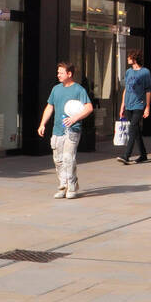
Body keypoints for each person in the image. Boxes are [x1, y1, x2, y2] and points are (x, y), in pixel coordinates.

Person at [38, 61, 92, 199]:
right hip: (57, 130)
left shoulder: (79, 90)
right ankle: (63, 186)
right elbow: (50, 107)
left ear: (69, 74)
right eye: (58, 73)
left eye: (61, 73)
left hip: (72, 130)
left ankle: (72, 185)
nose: (58, 75)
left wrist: (74, 118)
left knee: (68, 158)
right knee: (58, 160)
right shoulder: (56, 89)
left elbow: (88, 108)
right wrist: (42, 123)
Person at [117, 50, 151, 164]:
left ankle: (126, 155)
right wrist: (122, 105)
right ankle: (143, 155)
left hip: (139, 104)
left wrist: (147, 107)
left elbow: (148, 90)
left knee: (132, 129)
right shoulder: (128, 72)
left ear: (134, 59)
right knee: (135, 130)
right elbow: (126, 89)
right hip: (128, 105)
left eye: (129, 57)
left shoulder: (145, 72)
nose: (127, 59)